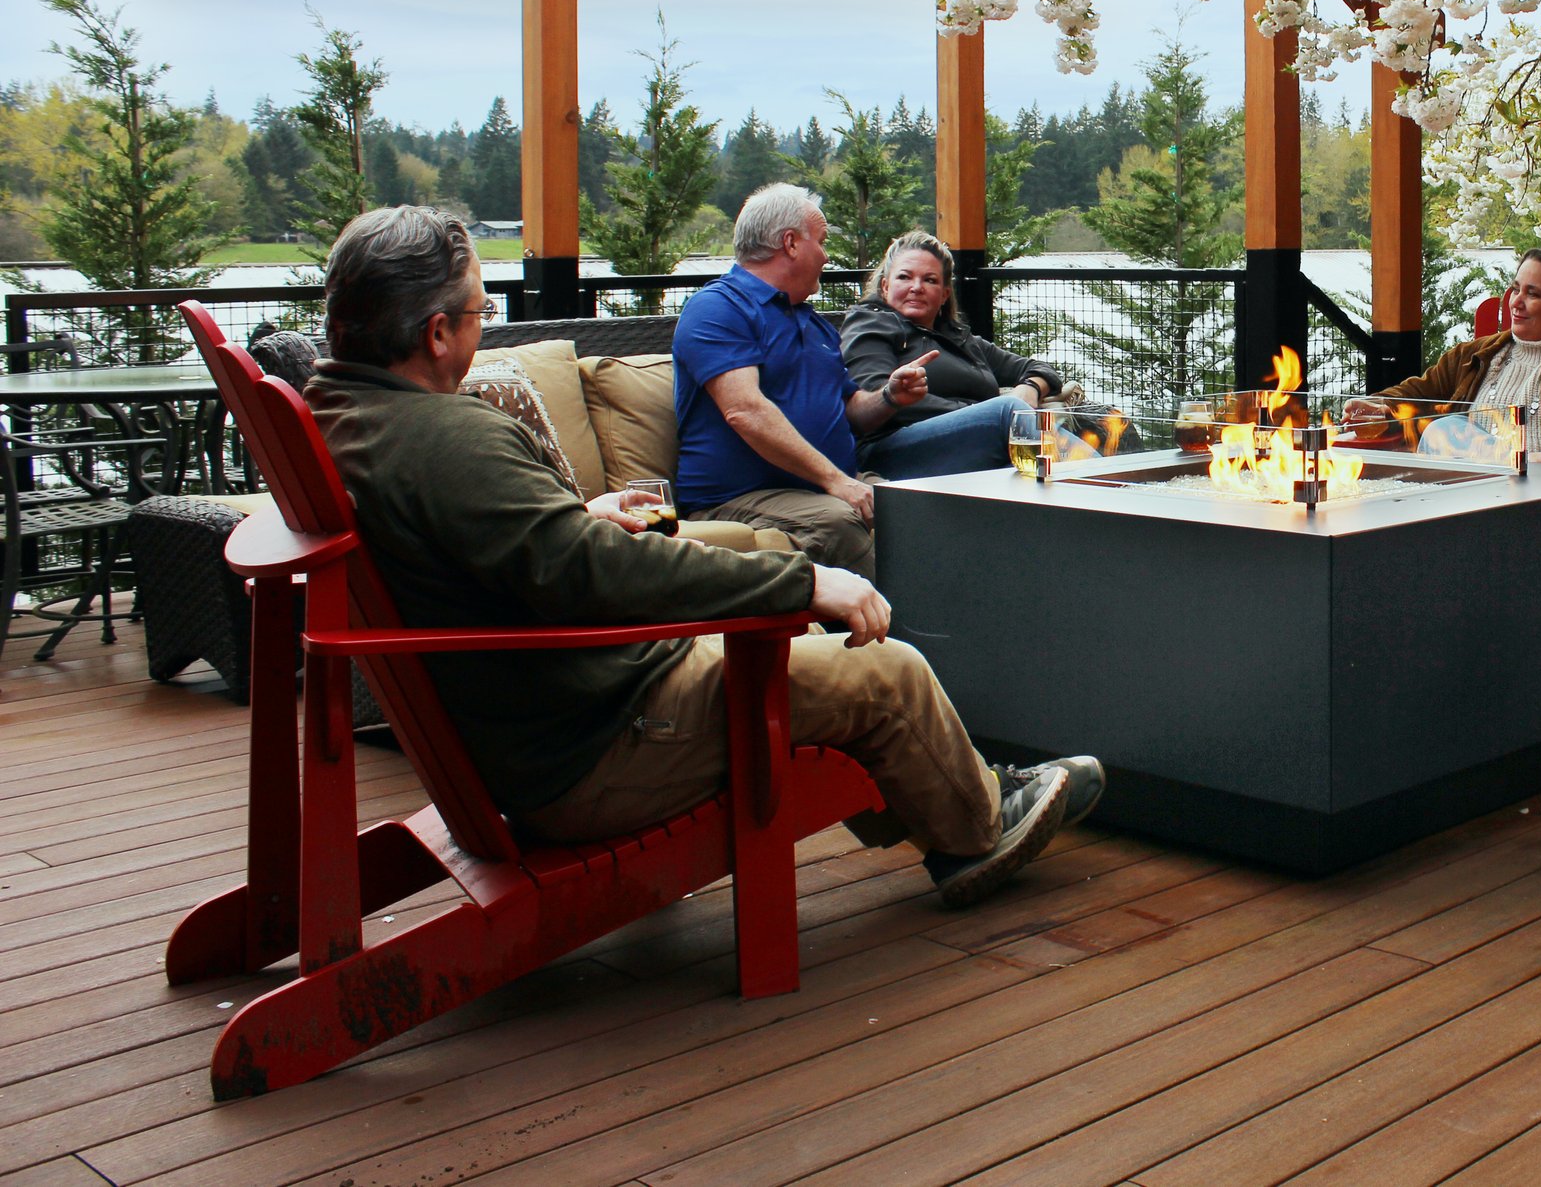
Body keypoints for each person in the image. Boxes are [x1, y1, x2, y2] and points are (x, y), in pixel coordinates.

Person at [304, 205, 1104, 908]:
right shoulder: (449, 437)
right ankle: (976, 830)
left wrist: (574, 517)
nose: (483, 327)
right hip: (598, 743)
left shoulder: (345, 417)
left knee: (813, 646)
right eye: (481, 311)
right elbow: (599, 574)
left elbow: (516, 549)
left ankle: (953, 789)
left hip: (547, 719)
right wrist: (801, 579)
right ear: (436, 332)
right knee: (884, 667)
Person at [673, 184, 929, 577]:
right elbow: (745, 411)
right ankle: (903, 618)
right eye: (821, 241)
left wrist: (890, 396)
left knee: (924, 508)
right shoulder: (718, 308)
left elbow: (850, 412)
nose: (826, 256)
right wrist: (837, 481)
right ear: (791, 243)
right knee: (839, 519)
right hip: (739, 497)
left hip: (821, 486)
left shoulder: (812, 323)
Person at [1344, 247, 1541, 465]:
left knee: (1444, 430)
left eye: (1533, 294)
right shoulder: (1476, 355)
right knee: (1444, 430)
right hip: (1464, 488)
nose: (1516, 302)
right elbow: (1419, 392)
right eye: (1516, 289)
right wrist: (1378, 405)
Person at [841, 231, 1067, 479]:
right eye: (904, 277)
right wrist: (982, 412)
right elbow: (874, 395)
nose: (916, 287)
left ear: (944, 294)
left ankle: (1089, 483)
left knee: (1038, 457)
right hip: (892, 450)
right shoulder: (870, 324)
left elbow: (1040, 368)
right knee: (1011, 414)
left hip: (974, 444)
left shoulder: (960, 339)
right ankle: (1086, 480)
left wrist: (1030, 388)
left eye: (930, 280)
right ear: (885, 287)